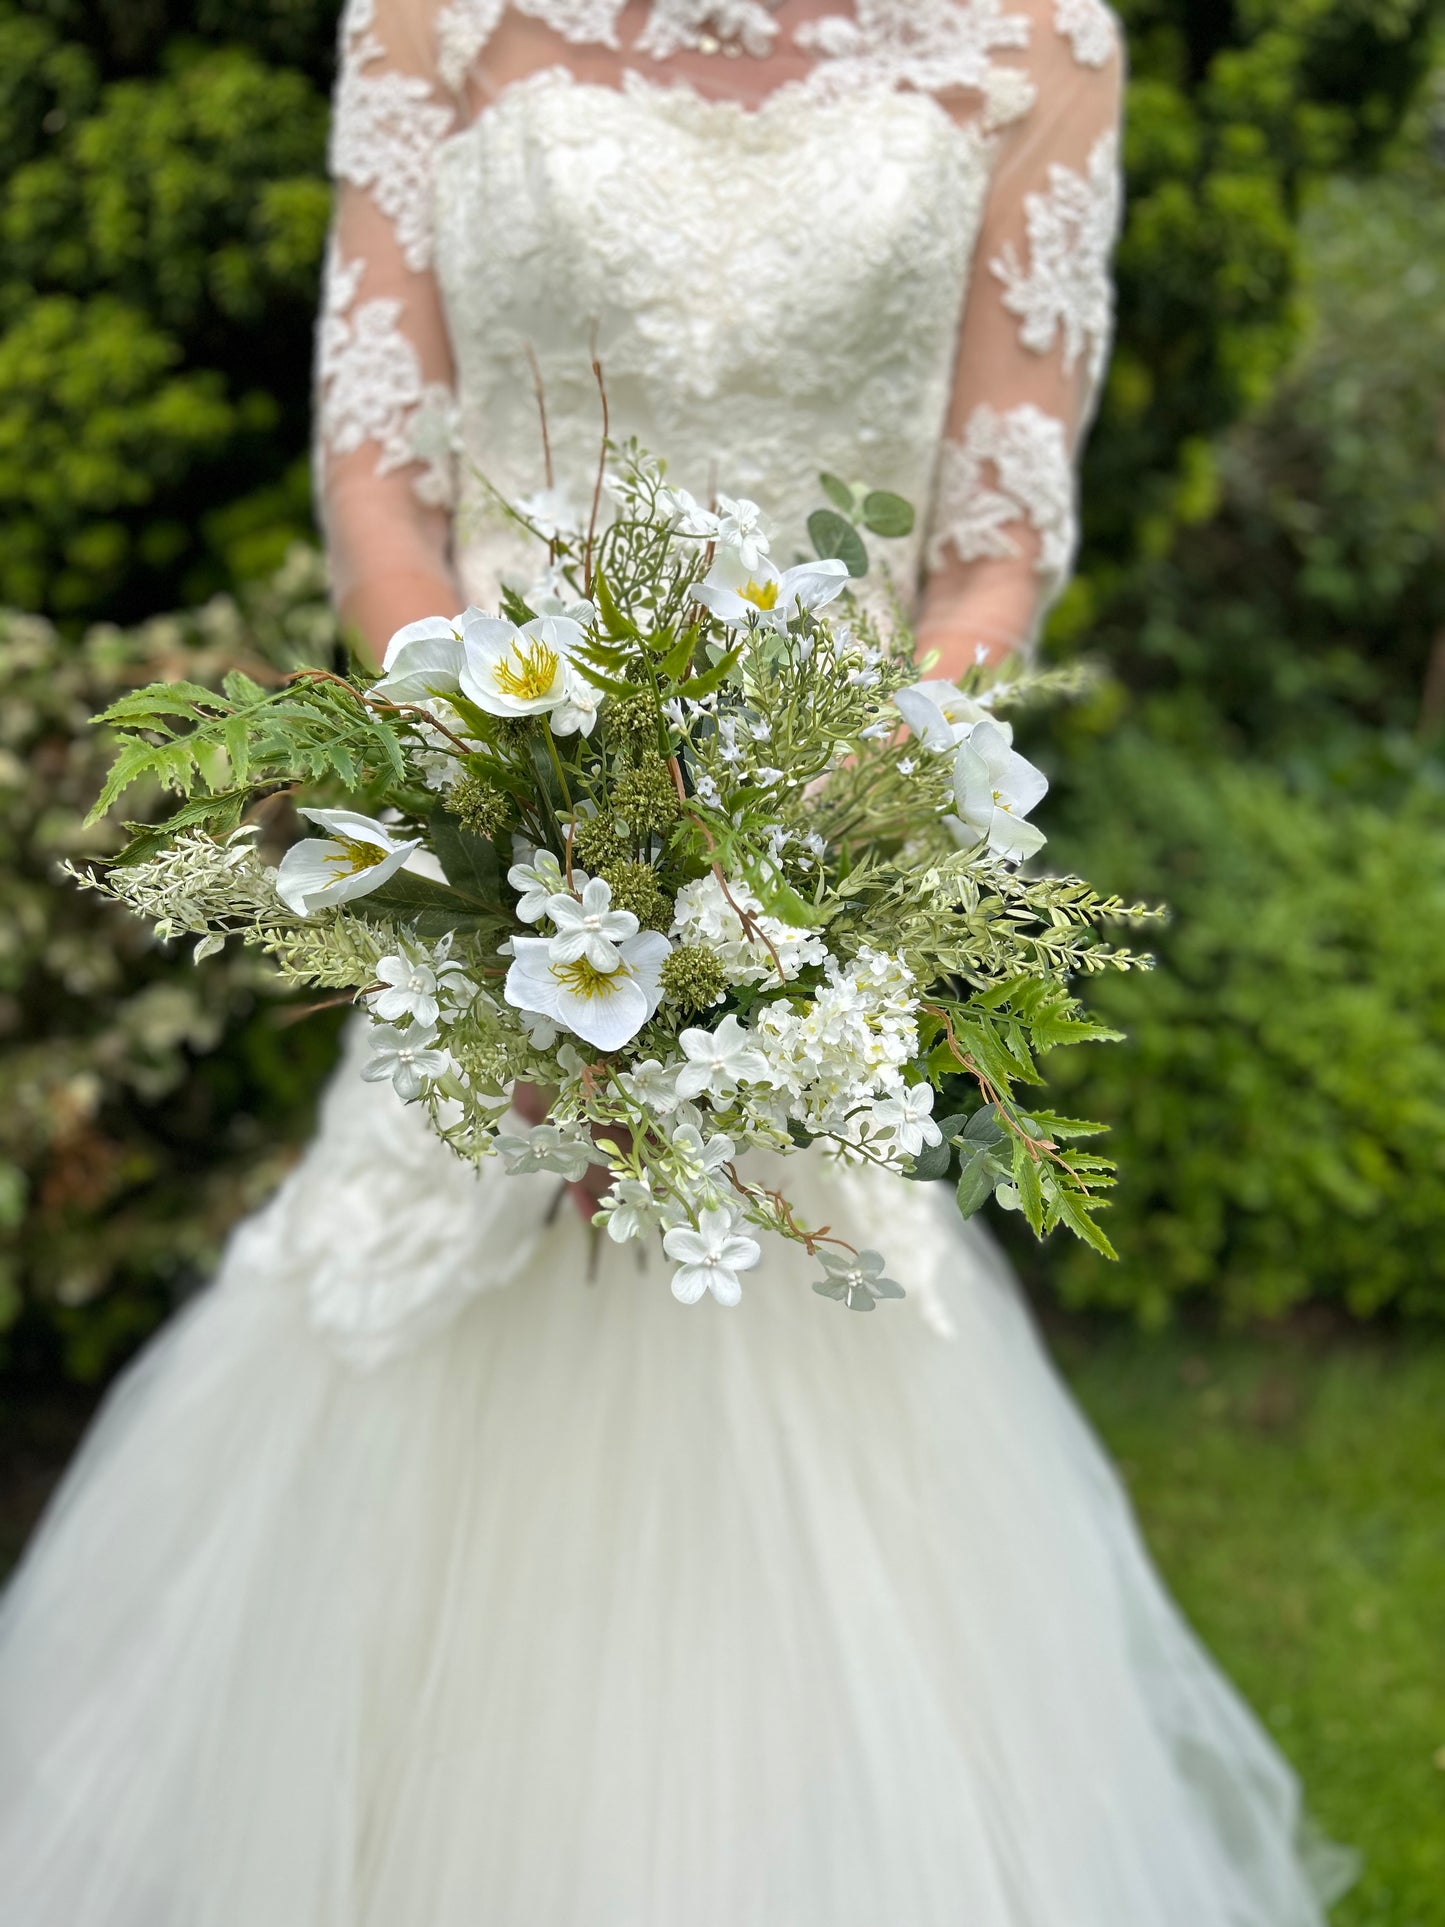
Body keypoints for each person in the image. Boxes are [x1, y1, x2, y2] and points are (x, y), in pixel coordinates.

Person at [0, 5, 1351, 1921]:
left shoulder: (1039, 45)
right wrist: (484, 797)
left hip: (809, 891)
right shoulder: (433, 17)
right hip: (497, 854)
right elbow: (382, 478)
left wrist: (798, 858)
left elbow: (988, 554)